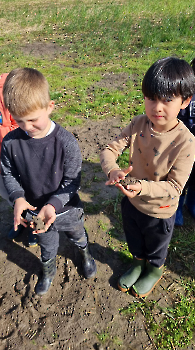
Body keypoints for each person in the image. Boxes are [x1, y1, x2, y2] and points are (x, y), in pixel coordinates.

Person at [100, 57, 195, 298]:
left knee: (156, 246)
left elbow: (175, 187)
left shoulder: (186, 142)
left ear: (185, 101)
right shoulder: (138, 124)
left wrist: (142, 187)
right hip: (131, 201)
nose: (157, 107)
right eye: (151, 98)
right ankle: (138, 263)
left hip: (160, 209)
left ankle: (154, 269)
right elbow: (109, 150)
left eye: (167, 100)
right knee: (134, 238)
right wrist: (112, 170)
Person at [1, 68, 97, 296]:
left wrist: (53, 204)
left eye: (33, 120)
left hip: (66, 208)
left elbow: (73, 181)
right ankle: (48, 269)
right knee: (47, 244)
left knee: (77, 234)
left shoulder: (66, 143)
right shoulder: (10, 142)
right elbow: (8, 174)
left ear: (50, 106)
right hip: (36, 212)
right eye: (19, 121)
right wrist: (18, 198)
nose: (27, 127)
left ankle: (85, 253)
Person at [0, 73, 38, 247]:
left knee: (32, 193)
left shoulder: (13, 86)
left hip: (21, 155)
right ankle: (20, 219)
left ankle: (34, 226)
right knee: (10, 193)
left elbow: (29, 120)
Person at [175, 56, 195, 225]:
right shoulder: (185, 95)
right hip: (183, 149)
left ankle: (192, 204)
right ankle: (178, 208)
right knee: (183, 179)